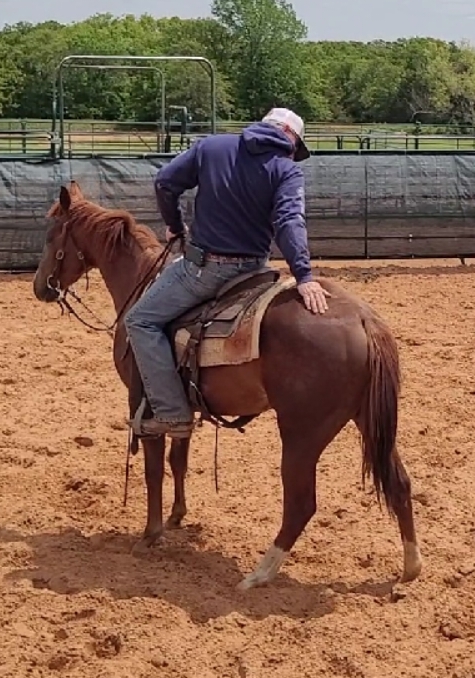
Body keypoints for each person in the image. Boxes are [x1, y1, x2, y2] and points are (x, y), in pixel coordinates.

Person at [122, 107, 331, 440]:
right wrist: (304, 276)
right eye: (296, 147)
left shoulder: (211, 148)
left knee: (140, 321)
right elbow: (290, 222)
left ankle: (173, 413)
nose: (293, 153)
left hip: (204, 269)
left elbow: (164, 182)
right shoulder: (286, 169)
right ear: (290, 137)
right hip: (255, 271)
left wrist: (175, 227)